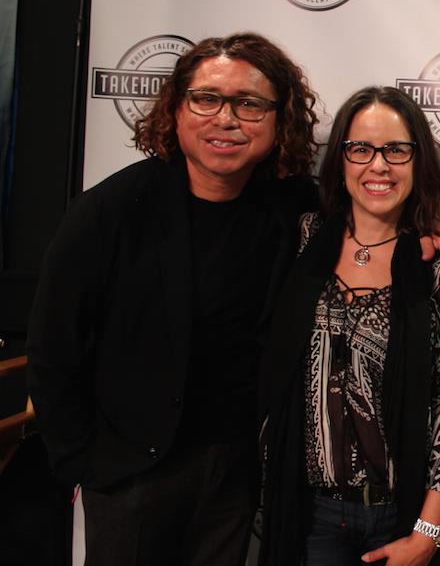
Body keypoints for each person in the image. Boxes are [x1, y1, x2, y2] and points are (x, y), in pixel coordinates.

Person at [26, 33, 321, 566]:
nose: (226, 118)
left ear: (281, 121)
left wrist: (433, 238)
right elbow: (52, 351)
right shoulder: (109, 212)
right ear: (177, 109)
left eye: (250, 104)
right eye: (206, 98)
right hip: (129, 473)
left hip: (233, 472)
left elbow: (372, 225)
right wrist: (85, 462)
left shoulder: (292, 206)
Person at [258, 86, 440, 566]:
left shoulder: (437, 268)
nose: (378, 165)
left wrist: (427, 535)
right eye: (360, 148)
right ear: (340, 159)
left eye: (396, 150)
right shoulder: (299, 242)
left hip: (398, 521)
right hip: (307, 516)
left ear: (418, 160)